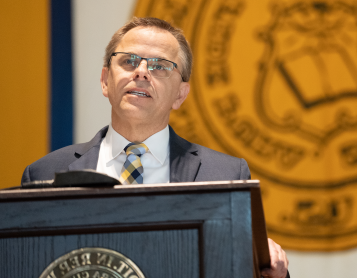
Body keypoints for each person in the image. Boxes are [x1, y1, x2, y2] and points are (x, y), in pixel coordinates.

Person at [22, 17, 289, 278]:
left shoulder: (225, 174)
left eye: (160, 66)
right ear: (105, 80)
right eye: (129, 61)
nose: (141, 72)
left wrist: (270, 267)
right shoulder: (45, 173)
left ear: (180, 94)